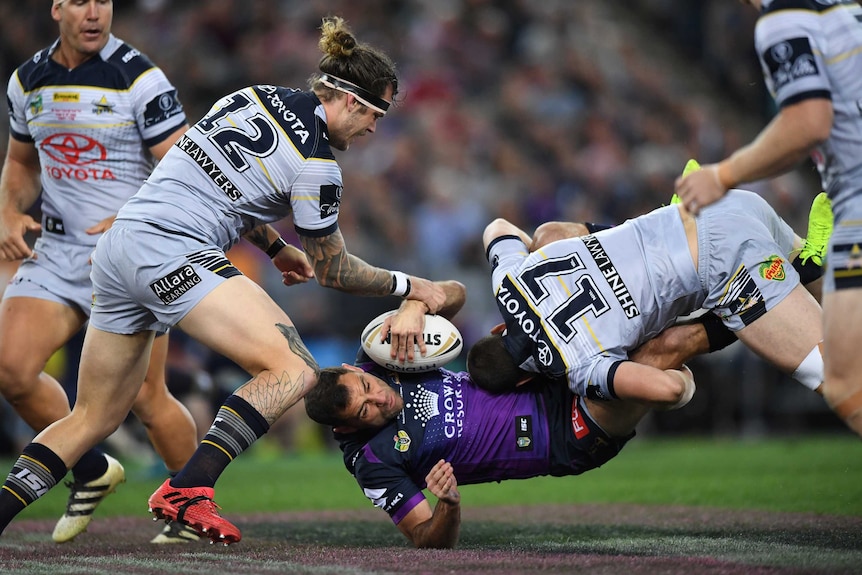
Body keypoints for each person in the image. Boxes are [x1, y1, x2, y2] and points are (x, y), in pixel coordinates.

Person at [0, 14, 447, 545]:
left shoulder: (251, 96)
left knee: (92, 415)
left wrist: (276, 246)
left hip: (118, 246)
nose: (374, 128)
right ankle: (188, 490)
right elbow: (334, 269)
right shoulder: (317, 164)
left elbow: (223, 184)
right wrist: (410, 287)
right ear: (349, 100)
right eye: (374, 114)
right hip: (174, 248)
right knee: (295, 368)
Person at [0, 0, 199, 544]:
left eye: (104, 2)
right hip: (58, 253)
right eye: (81, 1)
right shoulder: (27, 81)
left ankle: (190, 510)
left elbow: (185, 167)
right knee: (11, 370)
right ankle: (90, 469)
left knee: (147, 398)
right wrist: (9, 211)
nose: (95, 13)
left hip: (128, 255)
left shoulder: (139, 77)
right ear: (56, 8)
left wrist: (134, 215)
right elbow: (20, 162)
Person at [303, 299, 701, 549]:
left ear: (350, 369)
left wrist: (413, 306)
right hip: (563, 436)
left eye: (367, 387)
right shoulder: (373, 462)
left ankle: (691, 239)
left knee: (551, 238)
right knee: (665, 350)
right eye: (364, 412)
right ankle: (747, 304)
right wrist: (448, 505)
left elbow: (453, 292)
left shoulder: (374, 355)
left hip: (553, 373)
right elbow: (426, 539)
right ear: (346, 429)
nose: (380, 397)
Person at [673, 0, 862, 436]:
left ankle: (805, 264)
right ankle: (809, 264)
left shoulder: (786, 16)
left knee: (845, 374)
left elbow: (807, 123)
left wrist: (723, 174)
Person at [467, 189, 827, 414]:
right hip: (712, 205)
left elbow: (667, 388)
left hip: (731, 261)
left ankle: (793, 273)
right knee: (548, 236)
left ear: (521, 383)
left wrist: (681, 387)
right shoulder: (505, 281)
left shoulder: (578, 369)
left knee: (840, 377)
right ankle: (808, 265)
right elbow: (497, 226)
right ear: (498, 328)